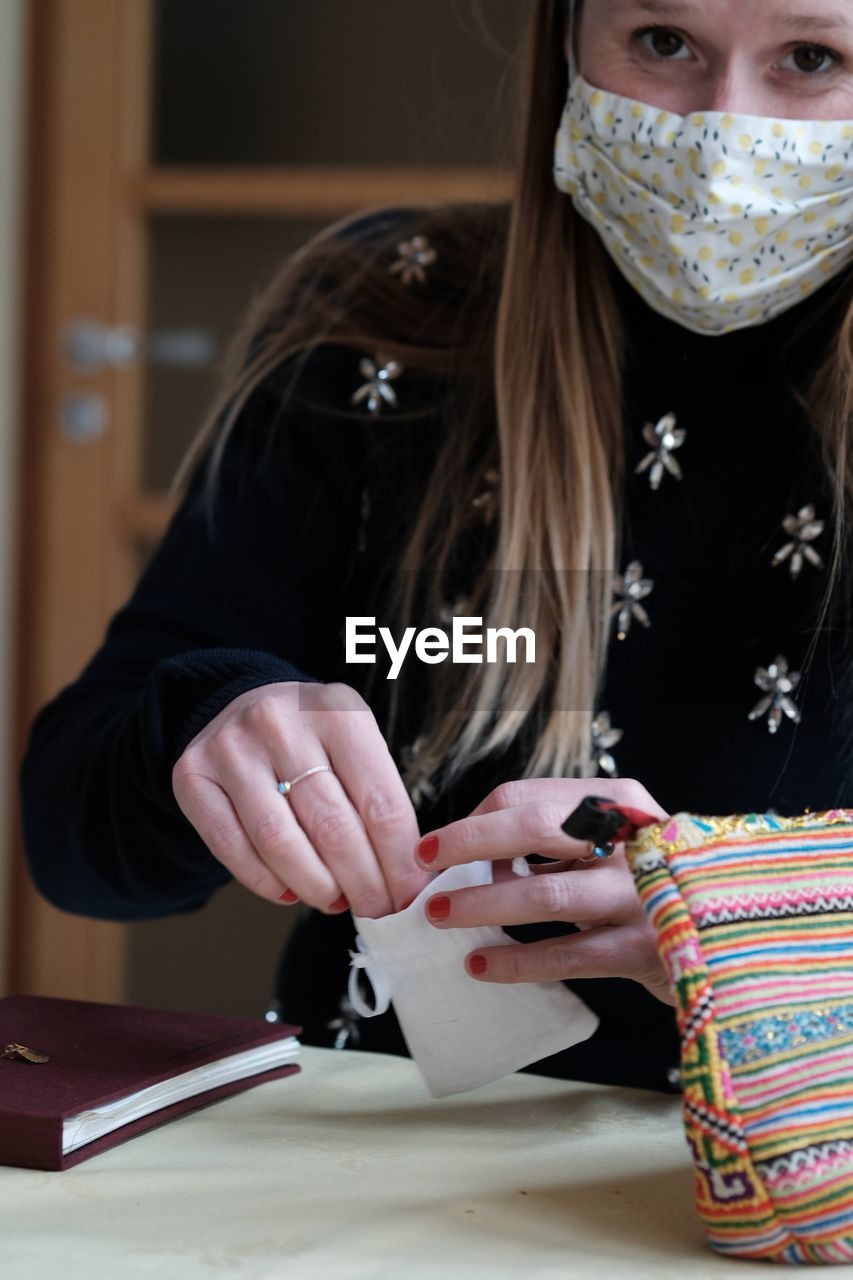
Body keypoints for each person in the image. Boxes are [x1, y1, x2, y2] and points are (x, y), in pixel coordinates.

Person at [20, 0, 853, 1094]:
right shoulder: (390, 320)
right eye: (660, 43)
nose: (720, 130)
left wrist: (754, 922)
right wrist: (206, 725)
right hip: (382, 1156)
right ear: (565, 38)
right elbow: (76, 839)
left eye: (809, 58)